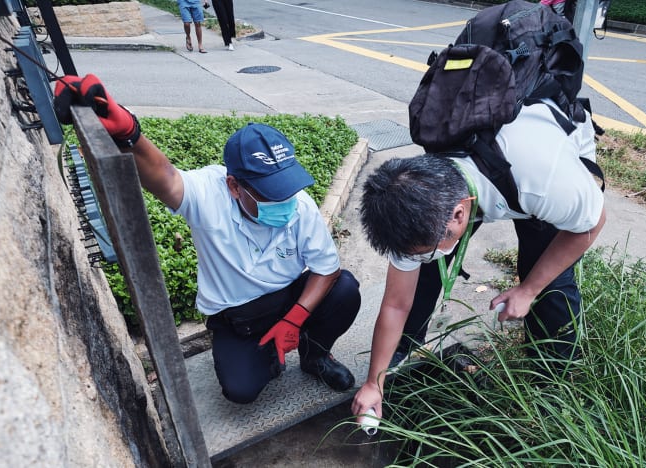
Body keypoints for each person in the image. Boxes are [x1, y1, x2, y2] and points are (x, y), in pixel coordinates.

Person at [54, 74, 361, 404]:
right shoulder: (209, 194)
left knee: (345, 289)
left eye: (286, 189)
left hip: (288, 296)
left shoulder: (299, 205)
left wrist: (295, 318)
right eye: (270, 194)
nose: (284, 202)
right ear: (233, 186)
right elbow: (168, 179)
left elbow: (326, 269)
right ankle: (267, 358)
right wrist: (131, 133)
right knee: (241, 390)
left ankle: (315, 357)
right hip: (239, 318)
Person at [351, 99, 606, 422]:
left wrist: (528, 289)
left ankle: (553, 382)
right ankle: (404, 345)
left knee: (550, 281)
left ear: (459, 214)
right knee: (428, 269)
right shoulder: (410, 199)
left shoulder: (547, 182)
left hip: (534, 169)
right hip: (483, 170)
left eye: (426, 248)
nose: (421, 256)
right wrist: (375, 380)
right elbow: (396, 303)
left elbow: (592, 223)